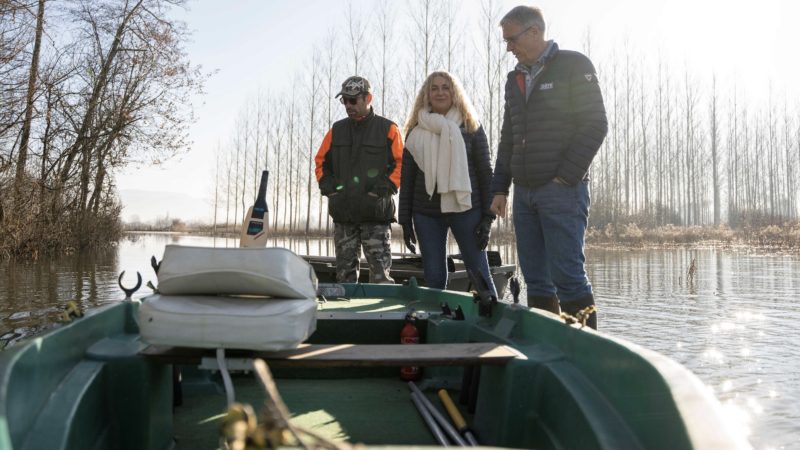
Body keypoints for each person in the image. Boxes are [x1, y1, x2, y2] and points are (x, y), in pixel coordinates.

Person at [490, 6, 607, 329]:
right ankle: (548, 350)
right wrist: (500, 187)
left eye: (511, 39)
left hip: (562, 191)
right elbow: (508, 136)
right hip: (524, 195)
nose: (508, 47)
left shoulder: (573, 65)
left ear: (535, 32)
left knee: (568, 277)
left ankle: (584, 352)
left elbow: (595, 124)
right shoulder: (514, 80)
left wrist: (565, 177)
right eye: (505, 41)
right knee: (537, 281)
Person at [399, 71, 497, 297]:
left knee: (479, 273)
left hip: (466, 209)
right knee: (434, 277)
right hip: (426, 213)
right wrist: (405, 221)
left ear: (454, 93)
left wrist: (487, 218)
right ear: (427, 94)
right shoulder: (415, 132)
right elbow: (408, 178)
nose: (440, 92)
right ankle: (438, 325)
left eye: (445, 87)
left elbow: (485, 173)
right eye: (434, 88)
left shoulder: (471, 126)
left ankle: (491, 322)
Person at [315, 76, 404, 283]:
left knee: (381, 277)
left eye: (353, 100)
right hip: (343, 215)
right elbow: (320, 162)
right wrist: (328, 187)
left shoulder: (388, 129)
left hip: (376, 216)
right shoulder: (336, 131)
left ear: (368, 98)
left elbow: (402, 164)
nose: (348, 105)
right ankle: (345, 313)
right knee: (344, 277)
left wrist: (384, 189)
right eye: (344, 100)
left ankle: (381, 313)